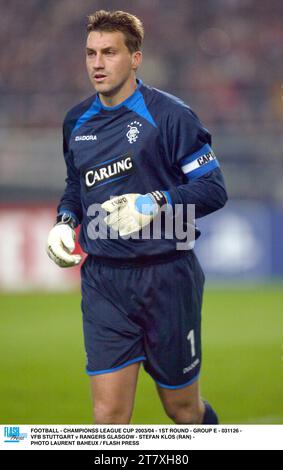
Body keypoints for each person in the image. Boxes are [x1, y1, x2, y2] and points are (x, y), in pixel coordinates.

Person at [46, 10, 228, 425]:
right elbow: (77, 184)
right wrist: (64, 220)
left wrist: (154, 202)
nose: (97, 63)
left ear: (135, 58)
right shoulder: (76, 121)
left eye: (109, 52)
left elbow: (214, 189)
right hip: (104, 281)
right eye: (90, 53)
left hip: (167, 276)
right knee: (108, 416)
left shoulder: (170, 116)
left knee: (182, 410)